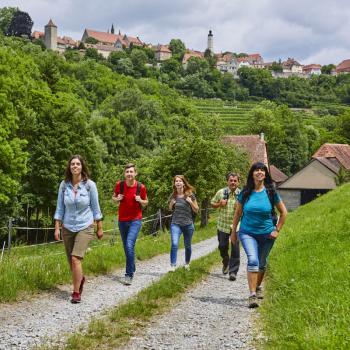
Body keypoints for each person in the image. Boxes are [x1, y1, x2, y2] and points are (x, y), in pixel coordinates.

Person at [231, 162, 287, 308]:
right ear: (252, 174)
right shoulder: (245, 193)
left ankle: (257, 286)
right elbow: (237, 213)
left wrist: (277, 229)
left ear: (265, 174)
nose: (259, 172)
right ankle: (252, 295)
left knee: (262, 263)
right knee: (253, 260)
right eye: (256, 170)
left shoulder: (271, 192)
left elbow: (284, 212)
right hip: (247, 232)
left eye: (262, 170)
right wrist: (233, 233)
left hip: (267, 234)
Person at [54, 155, 103, 304]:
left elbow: (96, 208)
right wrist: (57, 227)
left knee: (76, 259)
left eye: (78, 164)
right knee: (71, 261)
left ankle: (76, 292)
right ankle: (80, 280)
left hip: (85, 225)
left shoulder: (90, 185)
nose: (75, 166)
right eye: (72, 164)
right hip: (67, 226)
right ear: (69, 167)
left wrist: (99, 227)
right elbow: (60, 208)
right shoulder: (64, 185)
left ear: (82, 167)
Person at [112, 163, 148, 285]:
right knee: (127, 247)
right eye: (127, 172)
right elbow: (114, 198)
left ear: (135, 173)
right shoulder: (119, 185)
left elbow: (146, 202)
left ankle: (128, 274)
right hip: (122, 220)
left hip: (135, 220)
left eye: (131, 172)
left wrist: (140, 200)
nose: (129, 174)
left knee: (129, 245)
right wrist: (117, 199)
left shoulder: (140, 187)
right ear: (124, 173)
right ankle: (132, 266)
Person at [211, 172, 241, 281]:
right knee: (222, 246)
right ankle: (226, 261)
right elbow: (212, 204)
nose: (233, 182)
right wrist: (219, 204)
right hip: (222, 225)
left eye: (235, 181)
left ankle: (233, 272)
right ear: (227, 181)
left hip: (235, 226)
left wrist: (241, 208)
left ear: (238, 182)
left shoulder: (241, 194)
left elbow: (246, 210)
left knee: (235, 249)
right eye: (231, 180)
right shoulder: (221, 192)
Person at [168, 175, 199, 271]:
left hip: (188, 224)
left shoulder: (190, 195)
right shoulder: (173, 195)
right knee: (174, 244)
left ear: (183, 183)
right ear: (174, 184)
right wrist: (171, 204)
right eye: (176, 181)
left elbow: (197, 210)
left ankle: (187, 263)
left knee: (187, 245)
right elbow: (170, 208)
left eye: (180, 181)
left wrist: (190, 202)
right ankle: (173, 265)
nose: (178, 183)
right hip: (175, 224)